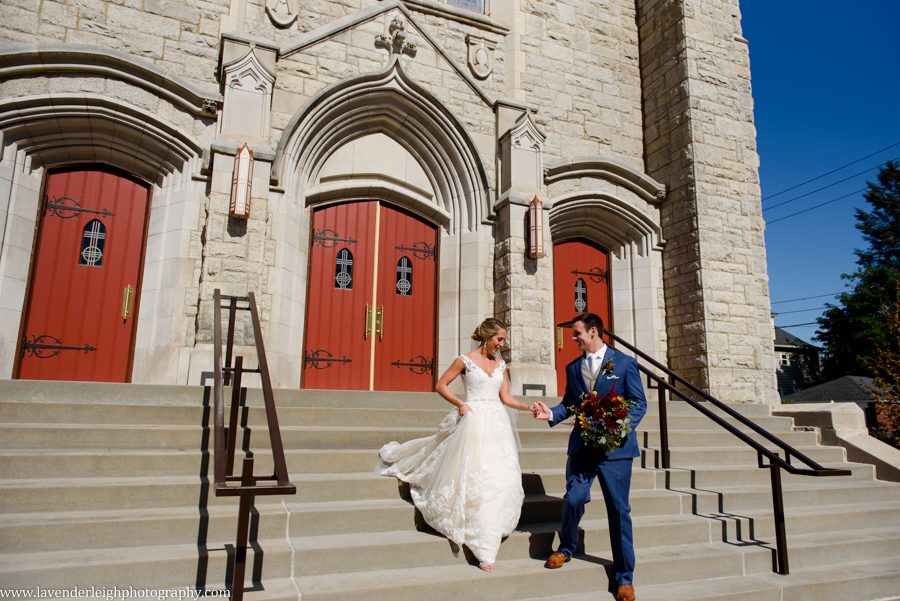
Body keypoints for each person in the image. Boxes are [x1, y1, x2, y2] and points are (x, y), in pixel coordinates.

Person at [377, 318, 533, 571]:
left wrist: (528, 406)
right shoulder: (465, 360)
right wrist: (461, 404)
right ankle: (484, 546)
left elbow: (506, 397)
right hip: (474, 419)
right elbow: (440, 385)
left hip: (498, 425)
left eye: (503, 339)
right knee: (476, 477)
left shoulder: (500, 363)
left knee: (503, 479)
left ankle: (489, 534)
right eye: (499, 339)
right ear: (487, 337)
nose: (502, 344)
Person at [532, 312, 647, 601]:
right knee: (573, 499)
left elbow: (638, 403)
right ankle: (567, 547)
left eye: (577, 333)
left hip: (615, 450)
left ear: (593, 332)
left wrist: (617, 428)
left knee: (619, 512)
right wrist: (551, 413)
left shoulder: (624, 363)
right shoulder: (573, 368)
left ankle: (624, 578)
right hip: (583, 447)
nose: (573, 338)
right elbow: (570, 404)